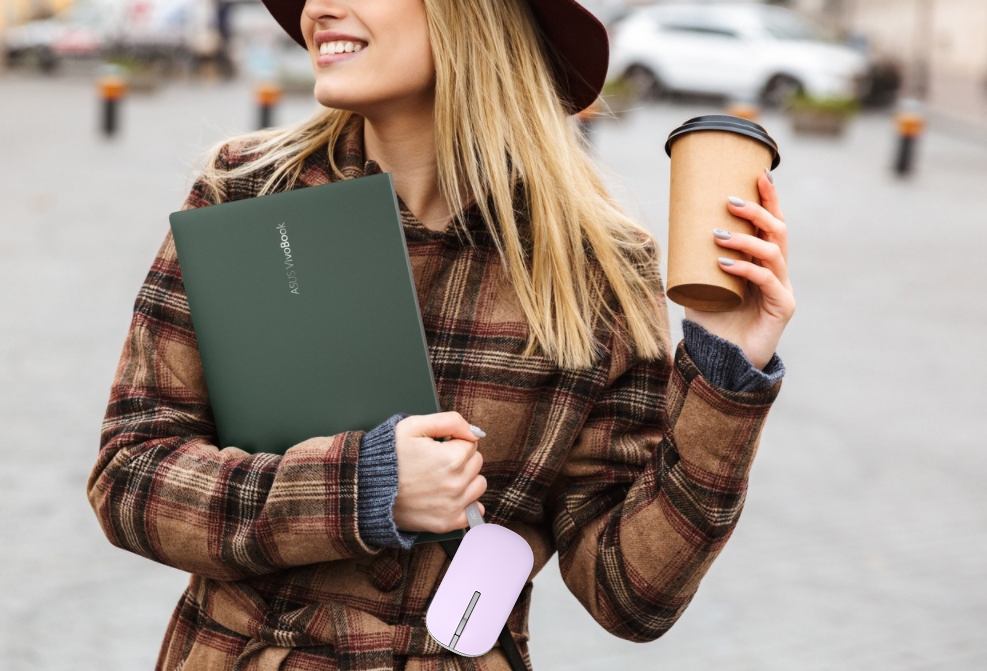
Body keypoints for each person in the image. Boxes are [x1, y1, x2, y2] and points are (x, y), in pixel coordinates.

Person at [87, 0, 795, 669]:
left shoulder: (596, 264)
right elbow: (129, 473)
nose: (316, 9)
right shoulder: (247, 194)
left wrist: (724, 363)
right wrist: (360, 488)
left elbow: (630, 593)